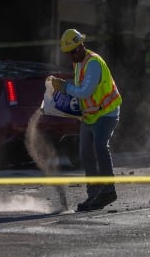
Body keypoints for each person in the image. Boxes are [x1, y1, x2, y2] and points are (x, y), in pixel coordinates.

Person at [50, 28, 122, 212]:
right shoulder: (78, 64)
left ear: (82, 45)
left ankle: (108, 191)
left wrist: (65, 88)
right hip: (90, 115)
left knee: (100, 146)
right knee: (85, 153)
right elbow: (79, 88)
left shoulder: (93, 64)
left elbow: (85, 91)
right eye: (70, 52)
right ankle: (94, 194)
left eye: (76, 49)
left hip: (107, 113)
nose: (73, 54)